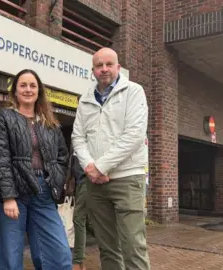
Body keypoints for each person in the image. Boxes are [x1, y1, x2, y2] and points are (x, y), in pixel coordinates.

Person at [71, 47, 150, 270]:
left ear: (118, 67)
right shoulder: (85, 99)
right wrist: (89, 167)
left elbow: (134, 135)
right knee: (107, 249)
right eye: (99, 65)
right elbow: (78, 137)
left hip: (127, 179)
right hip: (95, 183)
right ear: (93, 70)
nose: (104, 69)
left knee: (133, 247)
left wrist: (101, 167)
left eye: (108, 64)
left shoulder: (134, 92)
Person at [0, 69, 72, 270]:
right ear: (15, 92)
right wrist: (8, 197)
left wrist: (55, 183)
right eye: (23, 85)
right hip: (14, 193)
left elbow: (62, 157)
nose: (28, 89)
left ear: (39, 91)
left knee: (59, 256)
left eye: (32, 85)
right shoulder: (5, 118)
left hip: (43, 193)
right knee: (10, 257)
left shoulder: (49, 123)